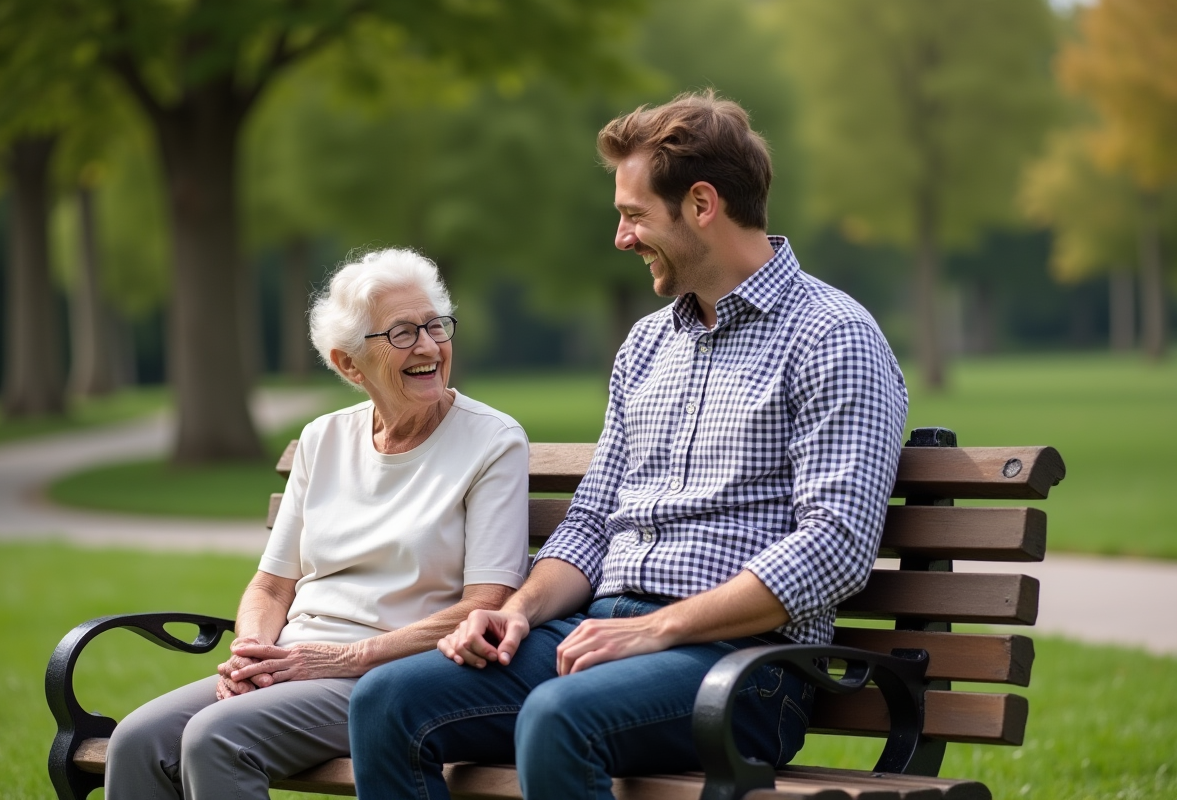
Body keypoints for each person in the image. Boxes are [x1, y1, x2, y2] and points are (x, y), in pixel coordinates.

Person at [348, 91, 909, 800]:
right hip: (600, 635)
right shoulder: (648, 344)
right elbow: (590, 523)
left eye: (634, 214)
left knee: (558, 717)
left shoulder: (832, 336)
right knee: (387, 703)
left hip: (747, 668)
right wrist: (517, 613)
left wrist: (658, 632)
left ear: (702, 205)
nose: (622, 237)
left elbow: (834, 545)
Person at [103, 248, 530, 799]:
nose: (428, 346)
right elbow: (272, 584)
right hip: (294, 663)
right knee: (137, 740)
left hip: (392, 675)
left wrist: (345, 657)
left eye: (435, 326)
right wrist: (253, 653)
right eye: (401, 333)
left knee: (217, 737)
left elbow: (485, 602)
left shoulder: (492, 441)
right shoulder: (322, 438)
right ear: (349, 364)